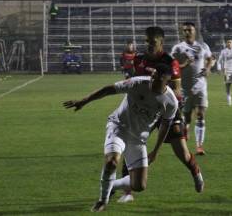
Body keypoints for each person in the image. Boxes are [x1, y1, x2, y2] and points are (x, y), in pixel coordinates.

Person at [63, 63, 178, 212]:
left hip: (138, 139)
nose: (152, 80)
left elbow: (165, 126)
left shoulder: (170, 102)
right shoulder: (137, 83)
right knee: (111, 162)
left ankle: (112, 185)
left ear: (166, 80)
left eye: (156, 79)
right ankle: (102, 200)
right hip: (118, 127)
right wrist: (84, 101)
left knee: (139, 185)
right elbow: (108, 89)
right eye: (152, 76)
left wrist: (156, 151)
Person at [117, 27, 205, 203]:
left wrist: (158, 91)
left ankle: (195, 172)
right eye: (147, 41)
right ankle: (128, 192)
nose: (149, 45)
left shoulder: (169, 62)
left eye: (153, 42)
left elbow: (177, 90)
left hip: (166, 110)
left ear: (161, 42)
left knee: (182, 153)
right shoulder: (138, 60)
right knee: (131, 147)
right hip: (144, 113)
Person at [172, 22, 213, 156]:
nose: (187, 32)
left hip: (200, 86)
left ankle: (199, 146)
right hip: (185, 88)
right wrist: (184, 64)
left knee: (200, 114)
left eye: (190, 30)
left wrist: (207, 68)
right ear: (182, 32)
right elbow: (172, 67)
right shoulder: (178, 48)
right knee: (187, 118)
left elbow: (211, 59)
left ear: (195, 31)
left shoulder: (203, 46)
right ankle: (186, 129)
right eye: (185, 30)